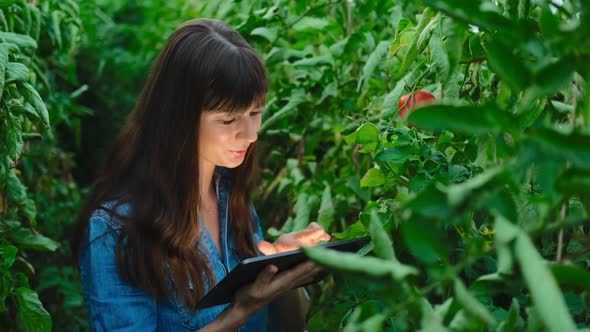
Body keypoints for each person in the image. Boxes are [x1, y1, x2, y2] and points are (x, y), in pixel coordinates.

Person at [71, 18, 330, 331]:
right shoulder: (118, 229)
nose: (249, 135)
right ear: (178, 119)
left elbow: (288, 327)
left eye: (255, 113)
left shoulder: (229, 196)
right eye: (227, 121)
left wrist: (281, 268)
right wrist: (242, 309)